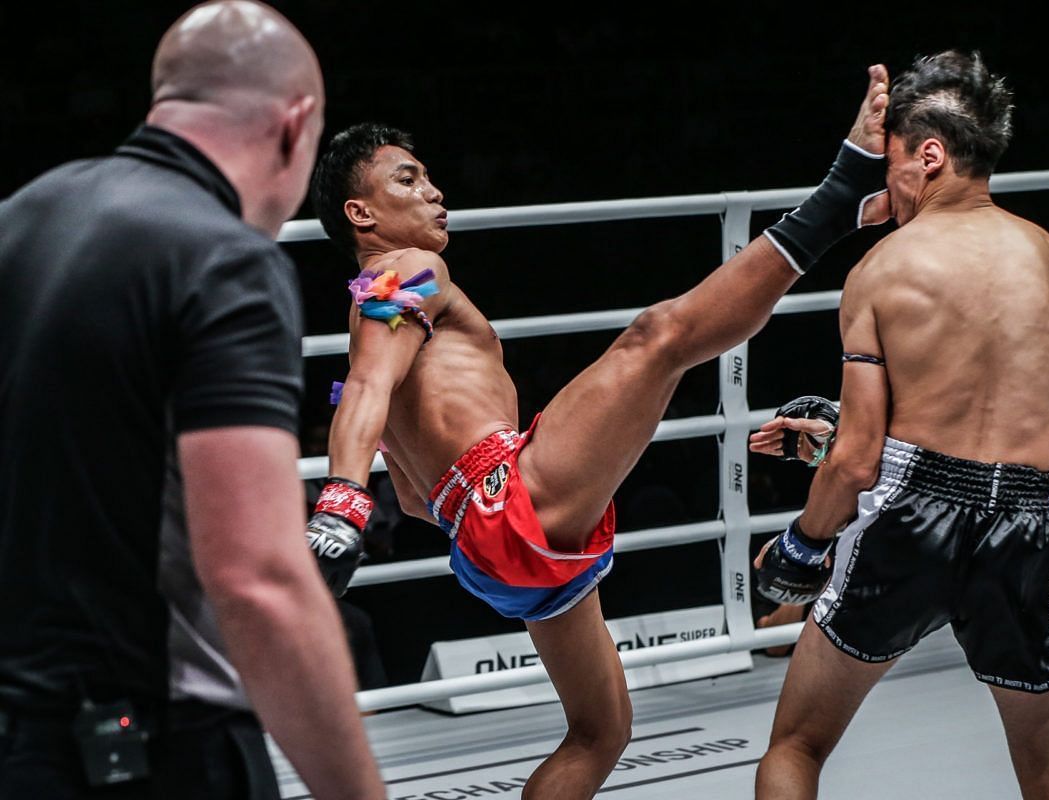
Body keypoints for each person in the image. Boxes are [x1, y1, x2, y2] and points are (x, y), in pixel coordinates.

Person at [306, 66, 893, 798]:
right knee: (659, 336)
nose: (433, 191)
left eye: (427, 178)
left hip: (485, 544)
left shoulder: (372, 313)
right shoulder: (409, 269)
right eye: (407, 180)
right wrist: (340, 505)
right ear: (361, 214)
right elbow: (365, 390)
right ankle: (839, 199)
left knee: (601, 732)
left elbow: (418, 494)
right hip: (507, 506)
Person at [0, 3, 384, 798]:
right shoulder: (223, 260)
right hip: (153, 747)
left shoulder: (22, 217)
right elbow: (258, 579)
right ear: (296, 124)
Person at [750, 51, 1049, 799]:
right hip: (1028, 521)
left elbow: (860, 461)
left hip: (915, 519)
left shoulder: (887, 267)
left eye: (893, 163)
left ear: (929, 155)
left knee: (796, 747)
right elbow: (993, 407)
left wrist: (801, 548)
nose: (888, 186)